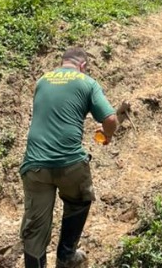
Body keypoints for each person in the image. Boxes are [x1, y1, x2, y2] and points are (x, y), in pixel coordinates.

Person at [19, 46, 129, 268]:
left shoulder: (42, 81)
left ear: (63, 62)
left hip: (35, 165)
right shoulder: (86, 82)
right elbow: (109, 120)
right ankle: (67, 256)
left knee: (35, 229)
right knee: (79, 201)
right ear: (83, 66)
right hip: (70, 164)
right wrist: (108, 134)